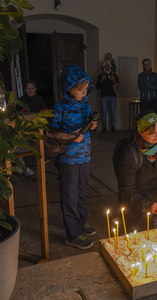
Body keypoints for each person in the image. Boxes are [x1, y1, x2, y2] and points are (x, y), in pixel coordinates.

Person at [48, 65, 98, 250]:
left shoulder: (86, 105)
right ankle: (72, 234)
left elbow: (90, 126)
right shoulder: (60, 108)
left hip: (84, 157)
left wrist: (92, 127)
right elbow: (52, 133)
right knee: (70, 196)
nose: (84, 93)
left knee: (83, 192)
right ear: (70, 89)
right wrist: (70, 135)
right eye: (80, 90)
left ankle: (81, 221)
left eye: (86, 90)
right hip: (68, 160)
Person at [96, 59, 119, 133]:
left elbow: (118, 87)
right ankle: (104, 127)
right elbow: (97, 87)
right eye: (105, 66)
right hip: (104, 97)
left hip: (113, 97)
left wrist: (114, 80)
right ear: (103, 67)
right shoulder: (100, 76)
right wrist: (102, 80)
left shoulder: (114, 75)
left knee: (113, 112)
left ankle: (113, 126)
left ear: (110, 67)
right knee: (104, 113)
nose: (107, 67)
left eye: (108, 66)